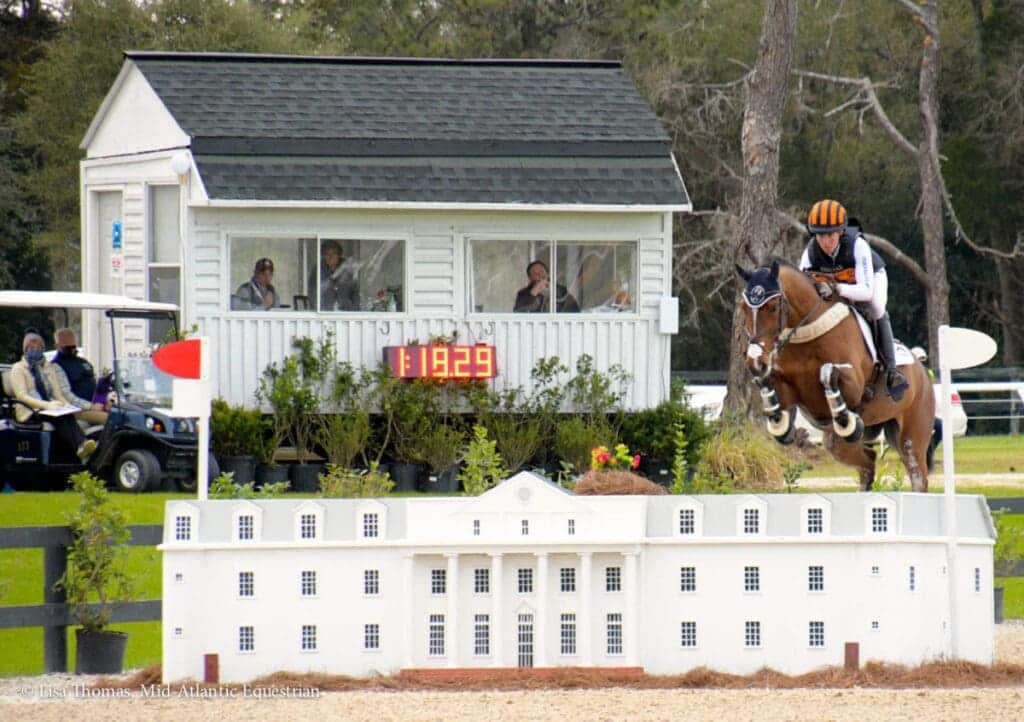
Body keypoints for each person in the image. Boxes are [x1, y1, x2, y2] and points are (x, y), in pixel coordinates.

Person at [799, 199, 909, 401]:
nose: (826, 241)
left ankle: (892, 370)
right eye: (820, 235)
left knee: (876, 308)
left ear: (841, 232)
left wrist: (836, 288)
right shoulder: (810, 253)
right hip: (835, 290)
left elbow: (866, 292)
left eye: (831, 234)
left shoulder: (857, 245)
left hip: (869, 281)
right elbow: (802, 289)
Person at [9, 332, 97, 461]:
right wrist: (46, 405)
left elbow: (56, 392)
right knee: (60, 417)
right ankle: (80, 445)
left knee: (67, 414)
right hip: (30, 409)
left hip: (49, 406)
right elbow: (22, 396)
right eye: (31, 348)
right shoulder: (18, 368)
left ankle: (81, 447)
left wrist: (64, 404)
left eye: (38, 348)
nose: (35, 351)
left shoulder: (48, 367)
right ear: (25, 349)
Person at [51, 327, 108, 425]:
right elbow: (66, 395)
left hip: (95, 403)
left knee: (122, 414)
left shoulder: (83, 362)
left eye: (72, 345)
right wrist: (91, 406)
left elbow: (94, 384)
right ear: (57, 345)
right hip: (76, 409)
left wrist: (103, 399)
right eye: (67, 345)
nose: (71, 348)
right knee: (110, 419)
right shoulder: (56, 366)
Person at [513, 260, 579, 313]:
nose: (540, 275)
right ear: (530, 278)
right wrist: (533, 293)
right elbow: (518, 312)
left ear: (547, 274)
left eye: (542, 271)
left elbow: (575, 310)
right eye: (535, 273)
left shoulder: (561, 290)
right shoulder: (523, 293)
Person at [320, 240, 359, 311]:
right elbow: (316, 292)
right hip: (325, 313)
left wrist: (355, 311)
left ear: (339, 255)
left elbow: (355, 293)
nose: (330, 257)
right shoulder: (319, 270)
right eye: (327, 254)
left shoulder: (347, 271)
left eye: (334, 254)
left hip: (346, 314)